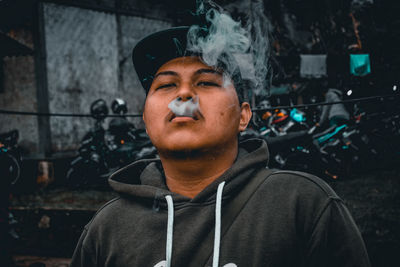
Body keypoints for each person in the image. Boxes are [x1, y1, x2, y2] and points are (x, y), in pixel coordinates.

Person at [70, 6, 370, 267]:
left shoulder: (303, 206)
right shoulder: (106, 229)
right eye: (165, 86)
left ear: (243, 116)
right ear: (147, 120)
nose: (184, 94)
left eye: (207, 82)